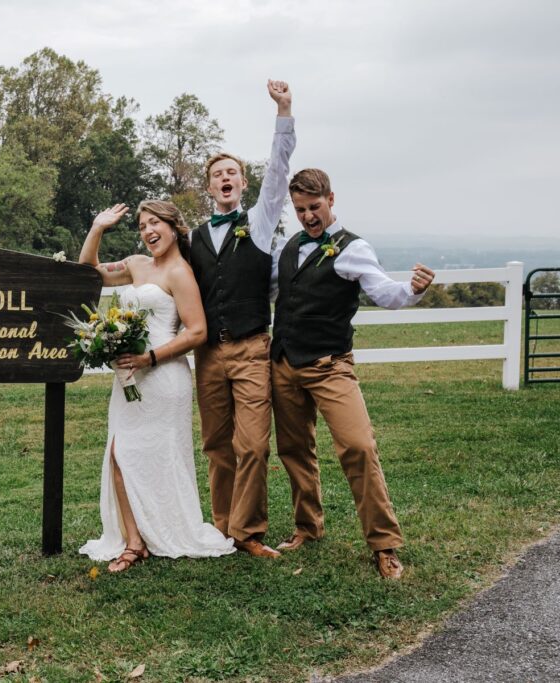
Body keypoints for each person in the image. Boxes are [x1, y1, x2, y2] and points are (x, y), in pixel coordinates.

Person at [270, 168, 435, 579]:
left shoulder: (352, 248)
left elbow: (385, 293)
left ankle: (384, 544)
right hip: (285, 364)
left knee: (358, 446)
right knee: (294, 451)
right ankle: (307, 527)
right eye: (300, 209)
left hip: (330, 366)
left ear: (331, 199)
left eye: (314, 206)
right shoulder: (288, 248)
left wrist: (413, 290)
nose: (308, 216)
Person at [78, 200, 236, 572]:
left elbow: (197, 331)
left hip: (163, 377)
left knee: (158, 455)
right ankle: (133, 541)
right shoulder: (136, 264)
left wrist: (150, 358)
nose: (149, 231)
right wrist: (97, 227)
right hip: (129, 377)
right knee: (119, 452)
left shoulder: (180, 273)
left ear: (173, 226)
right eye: (143, 225)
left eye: (155, 224)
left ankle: (161, 530)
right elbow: (89, 271)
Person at [188, 80, 295, 558]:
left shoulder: (260, 220)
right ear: (210, 187)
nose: (226, 179)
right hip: (209, 355)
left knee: (252, 445)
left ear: (243, 183)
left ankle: (248, 533)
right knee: (216, 445)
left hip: (252, 348)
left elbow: (279, 168)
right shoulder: (194, 237)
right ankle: (222, 527)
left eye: (233, 173)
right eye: (218, 175)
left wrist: (284, 110)